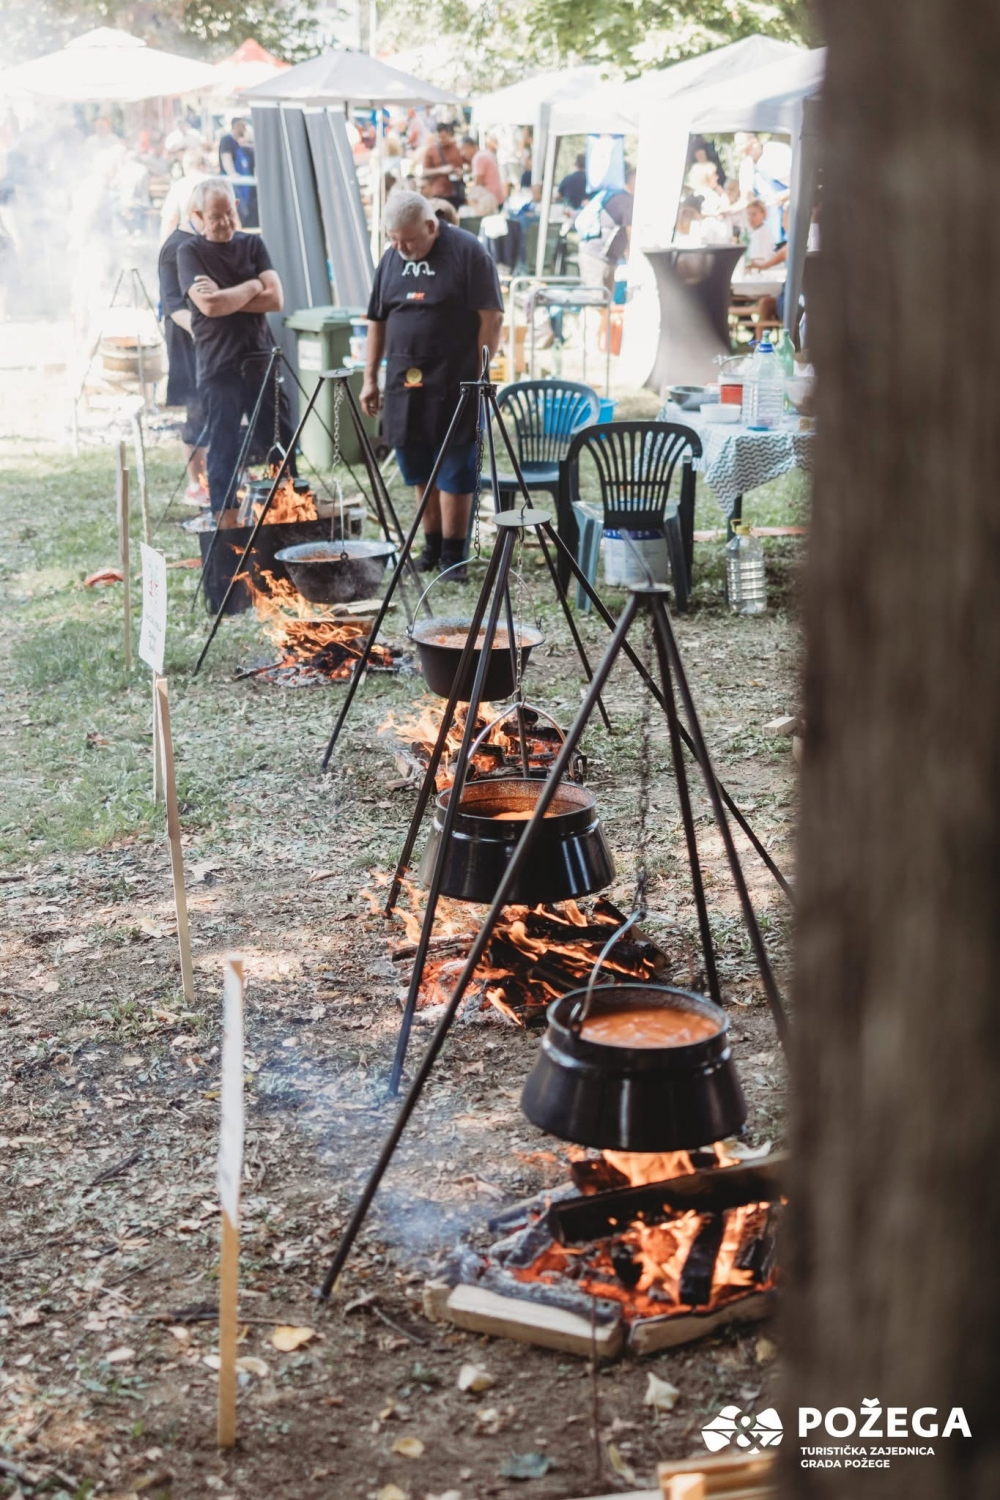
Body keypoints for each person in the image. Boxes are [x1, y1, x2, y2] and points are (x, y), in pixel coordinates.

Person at [360, 192, 504, 579]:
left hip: (457, 379)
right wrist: (369, 377)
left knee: (455, 469)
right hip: (404, 382)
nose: (400, 247)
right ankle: (432, 546)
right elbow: (377, 320)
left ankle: (455, 557)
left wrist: (481, 374)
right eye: (393, 239)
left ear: (431, 226)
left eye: (408, 240)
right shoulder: (390, 258)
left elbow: (491, 317)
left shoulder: (467, 252)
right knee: (419, 467)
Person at [177, 177, 294, 518]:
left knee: (279, 441)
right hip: (219, 365)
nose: (225, 222)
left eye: (229, 213)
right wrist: (254, 284)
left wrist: (229, 294)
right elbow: (209, 307)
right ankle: (224, 522)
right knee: (224, 448)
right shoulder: (190, 253)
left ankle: (287, 512)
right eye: (216, 216)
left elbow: (276, 299)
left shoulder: (253, 245)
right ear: (198, 215)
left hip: (259, 358)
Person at [158, 179, 208, 503]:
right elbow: (174, 305)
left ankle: (218, 478)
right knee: (196, 408)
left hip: (213, 339)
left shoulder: (212, 243)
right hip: (188, 338)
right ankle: (196, 485)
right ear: (195, 211)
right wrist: (206, 330)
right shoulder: (173, 248)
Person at [575, 166, 635, 294]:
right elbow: (631, 236)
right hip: (598, 257)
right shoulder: (626, 200)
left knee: (596, 301)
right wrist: (633, 263)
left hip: (595, 254)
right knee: (598, 303)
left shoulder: (615, 195)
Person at [218, 118, 257, 229]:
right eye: (242, 126)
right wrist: (232, 174)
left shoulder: (239, 144)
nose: (244, 129)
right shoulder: (227, 140)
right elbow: (226, 158)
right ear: (235, 126)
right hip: (234, 186)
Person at [417, 121, 464, 209]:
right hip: (439, 192)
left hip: (455, 191)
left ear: (449, 134)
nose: (441, 140)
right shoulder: (431, 150)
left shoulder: (456, 147)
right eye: (439, 137)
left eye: (443, 137)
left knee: (454, 215)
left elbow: (464, 164)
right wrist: (441, 170)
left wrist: (459, 172)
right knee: (441, 214)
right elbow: (424, 171)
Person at [459, 135, 505, 207]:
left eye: (463, 149)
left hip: (489, 200)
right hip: (497, 197)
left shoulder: (478, 158)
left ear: (469, 147)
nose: (462, 154)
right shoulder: (485, 153)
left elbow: (478, 184)